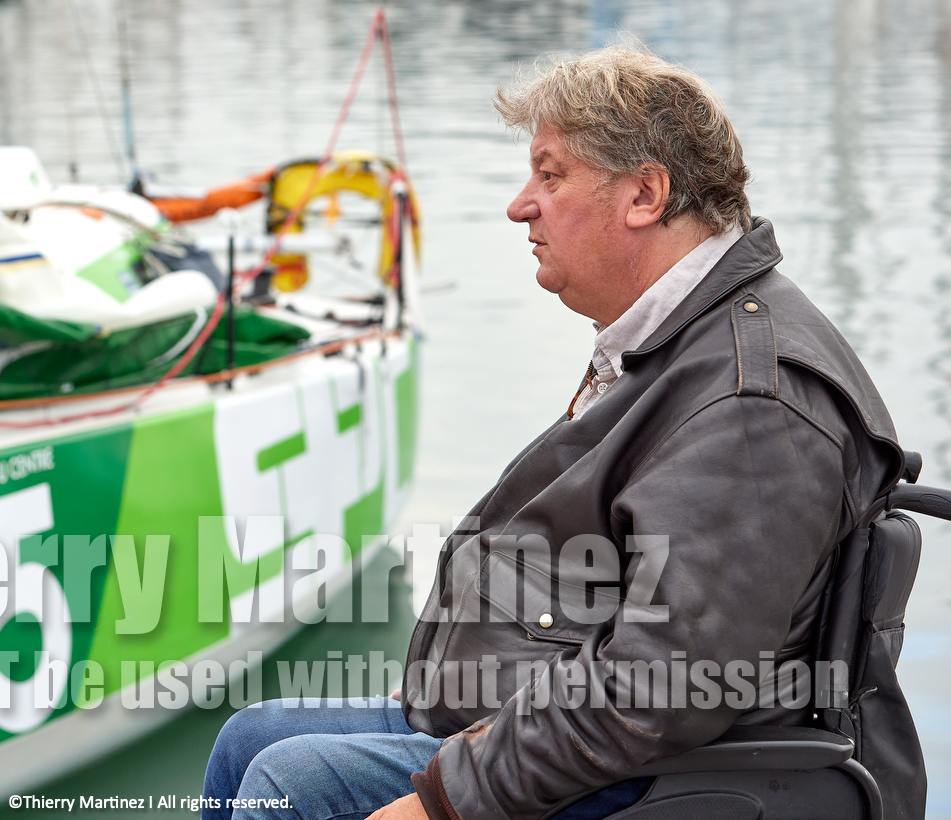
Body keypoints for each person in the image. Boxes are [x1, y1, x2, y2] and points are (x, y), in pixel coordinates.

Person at [202, 47, 916, 820]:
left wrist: (444, 800)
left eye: (550, 176)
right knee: (250, 737)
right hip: (554, 713)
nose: (520, 206)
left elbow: (668, 685)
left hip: (673, 770)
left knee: (291, 780)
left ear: (644, 194)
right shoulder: (678, 339)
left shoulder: (753, 399)